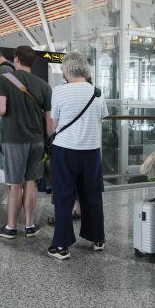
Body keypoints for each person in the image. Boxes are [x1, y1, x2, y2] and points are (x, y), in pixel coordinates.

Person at [45, 52, 109, 259]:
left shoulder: (59, 92)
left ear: (67, 70)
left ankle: (61, 246)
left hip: (65, 150)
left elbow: (54, 124)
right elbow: (101, 119)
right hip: (91, 151)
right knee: (92, 195)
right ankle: (98, 238)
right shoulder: (97, 92)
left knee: (64, 198)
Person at [0, 46, 51, 239]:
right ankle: (30, 226)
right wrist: (48, 140)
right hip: (37, 140)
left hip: (14, 139)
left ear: (16, 59)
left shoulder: (3, 81)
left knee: (16, 184)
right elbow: (49, 120)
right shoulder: (43, 85)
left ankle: (10, 227)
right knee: (31, 183)